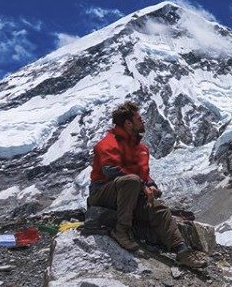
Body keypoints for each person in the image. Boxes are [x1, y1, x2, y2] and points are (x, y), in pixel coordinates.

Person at [88, 101, 207, 269]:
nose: (142, 121)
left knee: (159, 208)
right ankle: (121, 231)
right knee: (131, 181)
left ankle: (182, 251)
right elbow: (110, 170)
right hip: (103, 194)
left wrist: (151, 184)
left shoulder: (141, 148)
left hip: (129, 196)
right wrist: (143, 185)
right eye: (139, 118)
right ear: (128, 123)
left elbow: (143, 175)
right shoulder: (108, 142)